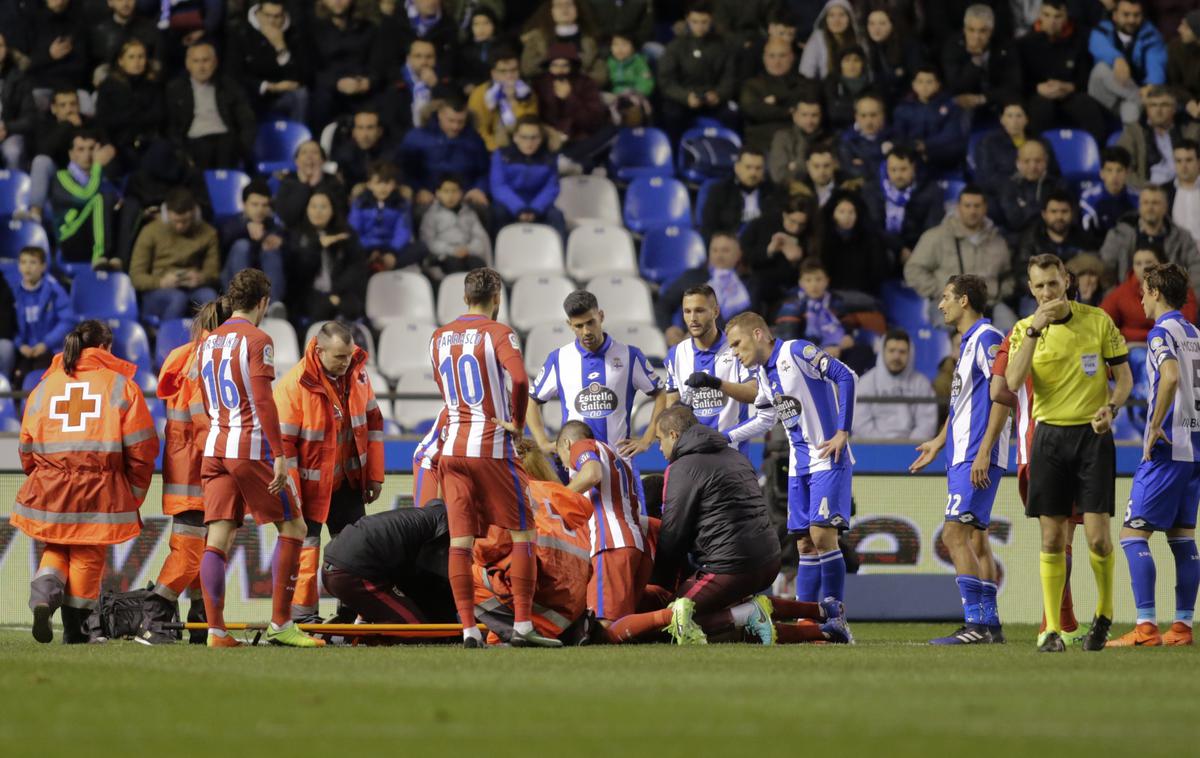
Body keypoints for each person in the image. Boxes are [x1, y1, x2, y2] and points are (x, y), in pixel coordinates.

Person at [602, 406, 851, 646]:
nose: (659, 447)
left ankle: (759, 616)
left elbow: (674, 534)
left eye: (660, 440)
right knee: (735, 608)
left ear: (674, 436)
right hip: (767, 561)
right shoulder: (735, 456)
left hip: (728, 567)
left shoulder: (681, 468)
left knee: (677, 621)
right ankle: (825, 613)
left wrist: (664, 583)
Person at [1004, 253, 1132, 652]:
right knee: (1052, 538)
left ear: (1066, 281)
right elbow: (1011, 379)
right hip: (1050, 440)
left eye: (1053, 284)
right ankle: (1052, 630)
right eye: (1039, 286)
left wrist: (1111, 408)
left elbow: (1124, 379)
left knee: (1097, 539)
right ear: (1030, 288)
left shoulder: (1097, 321)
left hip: (1092, 439)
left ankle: (1104, 614)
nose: (1047, 292)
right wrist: (1032, 333)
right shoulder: (1025, 328)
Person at [429, 267, 561, 648]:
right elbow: (519, 379)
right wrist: (517, 423)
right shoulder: (498, 333)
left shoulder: (438, 337)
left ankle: (468, 629)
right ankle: (522, 625)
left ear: (465, 296)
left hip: (451, 447)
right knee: (523, 533)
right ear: (497, 298)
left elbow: (443, 388)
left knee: (460, 541)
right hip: (491, 446)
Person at [196, 269, 323, 648]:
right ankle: (282, 624)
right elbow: (263, 399)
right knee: (295, 528)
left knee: (217, 537)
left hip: (215, 444)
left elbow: (204, 397)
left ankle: (216, 632)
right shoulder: (258, 339)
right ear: (263, 303)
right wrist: (280, 454)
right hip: (248, 448)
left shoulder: (207, 342)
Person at [14, 319, 157, 644]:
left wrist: (38, 477)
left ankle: (42, 599)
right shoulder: (121, 386)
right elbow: (142, 448)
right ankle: (76, 631)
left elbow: (26, 443)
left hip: (51, 485)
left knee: (56, 547)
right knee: (87, 554)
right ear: (106, 348)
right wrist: (132, 493)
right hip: (99, 488)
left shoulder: (44, 386)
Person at [725, 311, 858, 606]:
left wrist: (842, 431)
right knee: (805, 545)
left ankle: (835, 617)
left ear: (758, 334)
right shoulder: (762, 374)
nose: (734, 353)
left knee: (823, 536)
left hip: (828, 457)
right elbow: (764, 418)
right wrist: (725, 437)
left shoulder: (796, 351)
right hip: (799, 467)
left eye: (736, 344)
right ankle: (806, 618)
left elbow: (845, 375)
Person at [910, 275, 1012, 644]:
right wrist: (939, 441)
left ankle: (976, 626)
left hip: (975, 454)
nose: (940, 304)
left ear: (965, 300)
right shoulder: (968, 343)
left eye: (946, 297)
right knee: (976, 540)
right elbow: (963, 404)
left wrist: (984, 450)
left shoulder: (988, 339)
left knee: (953, 535)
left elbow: (1003, 396)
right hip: (962, 452)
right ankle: (990, 626)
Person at [1108, 263, 1200, 647]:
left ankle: (1145, 627)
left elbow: (1172, 376)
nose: (1140, 298)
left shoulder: (1161, 332)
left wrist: (1156, 425)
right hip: (1195, 450)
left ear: (1158, 292)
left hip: (1168, 449)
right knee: (1182, 539)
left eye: (1144, 291)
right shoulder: (1195, 333)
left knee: (1133, 536)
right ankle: (1181, 627)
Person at [274, 321, 385, 622]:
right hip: (309, 489)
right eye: (339, 357)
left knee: (353, 552)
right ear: (319, 351)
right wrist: (293, 496)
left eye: (348, 355)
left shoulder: (359, 375)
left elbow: (373, 424)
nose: (346, 362)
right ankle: (301, 618)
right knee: (306, 553)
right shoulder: (294, 385)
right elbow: (284, 447)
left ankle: (348, 615)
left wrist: (374, 475)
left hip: (347, 484)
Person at [136, 300, 227, 645]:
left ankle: (201, 624)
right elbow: (204, 420)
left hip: (185, 470)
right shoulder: (209, 361)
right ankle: (154, 617)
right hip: (203, 472)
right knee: (192, 554)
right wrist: (228, 460)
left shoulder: (188, 356)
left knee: (202, 551)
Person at [527, 289, 666, 480]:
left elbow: (660, 394)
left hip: (619, 465)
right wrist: (542, 441)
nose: (586, 331)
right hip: (576, 469)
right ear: (569, 325)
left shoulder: (629, 355)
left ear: (601, 316)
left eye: (590, 322)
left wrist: (647, 439)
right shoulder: (559, 359)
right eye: (579, 326)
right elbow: (531, 401)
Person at [554, 420, 644, 624]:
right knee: (621, 623)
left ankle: (670, 617)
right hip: (631, 542)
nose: (568, 467)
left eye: (562, 458)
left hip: (610, 543)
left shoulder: (581, 446)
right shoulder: (614, 457)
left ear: (567, 444)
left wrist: (556, 497)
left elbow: (592, 474)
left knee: (601, 624)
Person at [321, 500, 458, 624]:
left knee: (406, 614)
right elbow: (443, 578)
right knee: (416, 629)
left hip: (334, 568)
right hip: (353, 572)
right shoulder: (447, 524)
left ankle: (348, 632)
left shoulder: (426, 518)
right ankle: (349, 636)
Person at [664, 284, 757, 455]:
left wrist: (716, 383)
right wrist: (676, 411)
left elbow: (753, 393)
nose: (692, 318)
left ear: (715, 312)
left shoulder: (736, 347)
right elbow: (672, 405)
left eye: (699, 310)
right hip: (692, 457)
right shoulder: (676, 354)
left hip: (732, 455)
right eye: (687, 311)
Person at [906, 185, 1014, 330]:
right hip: (951, 303)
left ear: (985, 208)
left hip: (990, 305)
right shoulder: (937, 236)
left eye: (977, 206)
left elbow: (1008, 275)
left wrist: (999, 292)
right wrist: (941, 291)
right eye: (967, 206)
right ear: (958, 207)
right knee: (957, 333)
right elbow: (913, 269)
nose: (972, 211)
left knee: (1013, 332)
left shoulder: (998, 241)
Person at [1016, 0, 1107, 144]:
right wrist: (1037, 88)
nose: (1052, 21)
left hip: (1069, 93)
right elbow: (1019, 80)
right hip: (1039, 95)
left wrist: (1070, 87)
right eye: (1047, 15)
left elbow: (1085, 75)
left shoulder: (1079, 40)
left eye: (1057, 16)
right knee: (1041, 110)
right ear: (1040, 15)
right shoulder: (1025, 43)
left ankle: (1099, 157)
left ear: (1066, 17)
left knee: (1089, 108)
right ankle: (1037, 155)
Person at [129, 187, 221, 323]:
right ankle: (167, 341)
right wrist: (161, 282)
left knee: (210, 298)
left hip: (193, 287)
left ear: (195, 215)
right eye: (175, 221)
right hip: (158, 289)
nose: (180, 226)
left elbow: (213, 272)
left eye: (185, 221)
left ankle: (211, 341)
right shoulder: (150, 232)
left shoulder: (208, 233)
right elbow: (136, 277)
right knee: (178, 298)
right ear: (167, 216)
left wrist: (201, 277)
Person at [1099, 184, 1200, 303]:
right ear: (1139, 206)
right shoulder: (1119, 235)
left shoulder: (1182, 238)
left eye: (1155, 203)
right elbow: (1105, 270)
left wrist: (1187, 301)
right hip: (1127, 302)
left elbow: (1196, 269)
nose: (1150, 207)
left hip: (1169, 302)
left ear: (1165, 207)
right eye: (1146, 203)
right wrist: (1116, 299)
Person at [165, 41, 257, 170]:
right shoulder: (175, 89)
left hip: (226, 140)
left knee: (228, 147)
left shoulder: (229, 86)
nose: (201, 67)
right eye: (196, 61)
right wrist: (180, 152)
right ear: (187, 64)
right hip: (194, 141)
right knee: (203, 151)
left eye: (205, 60)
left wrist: (242, 147)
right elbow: (171, 127)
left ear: (215, 62)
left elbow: (247, 120)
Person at [657, 0, 737, 141]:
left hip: (713, 100)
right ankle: (676, 155)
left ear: (711, 20)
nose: (699, 26)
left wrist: (718, 94)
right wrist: (685, 97)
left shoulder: (723, 46)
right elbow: (666, 81)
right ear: (688, 19)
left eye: (704, 22)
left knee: (732, 113)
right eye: (695, 22)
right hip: (684, 99)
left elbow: (729, 78)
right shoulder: (675, 46)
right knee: (671, 113)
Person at [533, 42, 616, 174]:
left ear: (572, 66)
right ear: (548, 66)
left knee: (611, 131)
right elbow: (535, 117)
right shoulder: (540, 84)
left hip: (582, 139)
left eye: (564, 65)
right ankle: (581, 165)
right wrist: (552, 133)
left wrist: (570, 98)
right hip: (552, 139)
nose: (559, 70)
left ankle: (569, 162)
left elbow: (593, 122)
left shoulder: (586, 83)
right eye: (555, 65)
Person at [286, 190, 369, 322]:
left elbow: (357, 267)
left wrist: (335, 292)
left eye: (323, 207)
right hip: (308, 294)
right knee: (320, 309)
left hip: (340, 290)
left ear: (333, 210)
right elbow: (298, 274)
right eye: (313, 206)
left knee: (352, 308)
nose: (318, 211)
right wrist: (316, 246)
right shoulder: (296, 235)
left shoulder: (346, 234)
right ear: (306, 209)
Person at [656, 232, 755, 340]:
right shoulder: (693, 277)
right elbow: (664, 304)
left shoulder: (749, 283)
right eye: (715, 250)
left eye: (725, 250)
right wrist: (668, 328)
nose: (719, 256)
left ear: (738, 254)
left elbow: (752, 319)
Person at [398, 97, 491, 207]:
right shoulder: (417, 138)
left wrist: (479, 188)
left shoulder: (474, 140)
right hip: (429, 196)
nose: (455, 126)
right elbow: (405, 171)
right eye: (451, 121)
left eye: (460, 122)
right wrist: (418, 190)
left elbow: (484, 170)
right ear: (440, 115)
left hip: (465, 196)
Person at [49, 129, 121, 270]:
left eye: (92, 149)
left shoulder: (102, 178)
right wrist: (97, 167)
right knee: (100, 198)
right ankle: (100, 256)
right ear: (71, 154)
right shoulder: (62, 177)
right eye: (81, 149)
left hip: (91, 239)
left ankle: (119, 258)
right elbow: (86, 196)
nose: (87, 154)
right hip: (70, 240)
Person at [227, 1, 310, 123]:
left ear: (283, 15)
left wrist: (281, 47)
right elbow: (234, 74)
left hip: (283, 95)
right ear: (259, 13)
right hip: (253, 94)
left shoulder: (294, 33)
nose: (271, 21)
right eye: (267, 15)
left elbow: (301, 77)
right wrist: (268, 87)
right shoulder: (241, 31)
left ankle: (298, 139)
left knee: (300, 94)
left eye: (277, 16)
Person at [861, 146, 945, 266]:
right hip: (883, 247)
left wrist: (916, 252)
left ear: (913, 168)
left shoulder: (932, 191)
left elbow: (932, 228)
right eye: (893, 170)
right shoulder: (871, 190)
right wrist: (899, 248)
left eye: (903, 169)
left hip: (919, 249)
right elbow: (873, 226)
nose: (898, 175)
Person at [1087, 0, 1167, 125]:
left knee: (1131, 108)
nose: (1131, 20)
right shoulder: (1102, 30)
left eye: (1136, 15)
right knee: (1101, 69)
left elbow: (1156, 63)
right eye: (1126, 14)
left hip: (1134, 99)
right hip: (1106, 98)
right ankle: (1141, 99)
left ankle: (1129, 141)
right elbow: (1097, 45)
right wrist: (1117, 59)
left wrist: (1151, 86)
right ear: (1115, 15)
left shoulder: (1151, 34)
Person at [940, 3, 1020, 122]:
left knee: (1015, 107)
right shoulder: (953, 46)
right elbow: (955, 86)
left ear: (991, 31)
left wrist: (983, 98)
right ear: (964, 29)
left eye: (982, 31)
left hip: (994, 99)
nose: (976, 37)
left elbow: (1013, 85)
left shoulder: (1005, 46)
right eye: (971, 30)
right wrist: (975, 62)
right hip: (966, 100)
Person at [853, 328, 937, 442]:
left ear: (910, 354)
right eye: (891, 351)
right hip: (871, 448)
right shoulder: (865, 382)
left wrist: (908, 446)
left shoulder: (922, 384)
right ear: (883, 352)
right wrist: (885, 447)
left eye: (902, 352)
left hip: (911, 448)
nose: (896, 356)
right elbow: (860, 423)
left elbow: (927, 423)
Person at [1101, 247, 1198, 342]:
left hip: (1174, 340)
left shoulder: (1178, 286)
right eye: (1138, 263)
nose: (1143, 268)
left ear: (1160, 264)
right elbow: (1102, 320)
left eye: (1149, 263)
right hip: (1136, 345)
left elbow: (1187, 322)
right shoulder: (1122, 292)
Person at [489, 118, 566, 238]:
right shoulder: (501, 154)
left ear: (541, 138)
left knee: (556, 216)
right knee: (498, 214)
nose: (529, 143)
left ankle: (560, 254)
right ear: (515, 137)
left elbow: (551, 187)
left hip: (539, 204)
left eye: (534, 137)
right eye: (524, 137)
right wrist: (519, 208)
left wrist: (535, 208)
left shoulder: (549, 156)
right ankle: (497, 253)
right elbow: (499, 186)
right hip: (509, 204)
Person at [11, 246, 74, 387]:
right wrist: (20, 345)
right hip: (23, 350)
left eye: (33, 262)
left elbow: (67, 320)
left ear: (43, 266)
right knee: (18, 378)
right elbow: (10, 325)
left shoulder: (54, 290)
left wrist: (46, 343)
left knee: (41, 378)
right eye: (23, 262)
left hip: (49, 349)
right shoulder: (14, 292)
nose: (27, 267)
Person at [1114, 87, 1200, 188]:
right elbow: (1122, 167)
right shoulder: (1134, 131)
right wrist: (1147, 188)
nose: (1158, 110)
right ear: (1147, 109)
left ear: (1174, 108)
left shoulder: (1191, 129)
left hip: (1187, 188)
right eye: (1153, 105)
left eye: (1164, 105)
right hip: (1149, 191)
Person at [347, 161, 425, 274]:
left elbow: (403, 231)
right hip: (366, 248)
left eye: (388, 183)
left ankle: (381, 264)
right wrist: (371, 250)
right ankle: (373, 263)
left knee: (421, 247)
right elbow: (354, 230)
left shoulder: (401, 204)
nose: (383, 187)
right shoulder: (360, 203)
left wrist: (392, 252)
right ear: (369, 184)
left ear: (394, 185)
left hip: (391, 248)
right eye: (378, 183)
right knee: (349, 249)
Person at [891, 65, 967, 176]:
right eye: (920, 82)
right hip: (913, 156)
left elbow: (951, 135)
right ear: (913, 85)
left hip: (942, 157)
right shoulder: (903, 108)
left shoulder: (950, 105)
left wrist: (926, 146)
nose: (924, 86)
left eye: (929, 82)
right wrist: (915, 148)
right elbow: (899, 136)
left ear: (938, 85)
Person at [220, 180, 288, 305]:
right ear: (244, 204)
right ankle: (241, 303)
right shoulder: (233, 223)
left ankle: (273, 306)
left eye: (264, 205)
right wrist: (246, 227)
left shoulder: (274, 227)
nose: (260, 210)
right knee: (242, 246)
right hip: (232, 283)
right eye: (255, 204)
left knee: (271, 249)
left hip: (262, 284)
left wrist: (280, 243)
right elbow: (224, 240)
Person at [740, 38, 813, 152]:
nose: (777, 61)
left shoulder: (805, 83)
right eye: (772, 56)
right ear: (764, 58)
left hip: (798, 142)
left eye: (782, 56)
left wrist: (774, 103)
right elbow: (753, 110)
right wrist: (789, 111)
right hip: (761, 143)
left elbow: (809, 110)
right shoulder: (752, 85)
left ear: (792, 57)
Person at [419, 174, 492, 281]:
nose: (450, 196)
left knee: (479, 265)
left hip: (468, 253)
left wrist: (468, 249)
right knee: (455, 266)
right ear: (438, 193)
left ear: (461, 193)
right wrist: (452, 250)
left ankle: (477, 297)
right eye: (446, 191)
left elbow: (480, 237)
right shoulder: (431, 215)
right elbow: (428, 241)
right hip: (443, 256)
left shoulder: (469, 213)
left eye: (454, 191)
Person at [700, 148, 783, 241]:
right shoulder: (719, 191)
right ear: (737, 168)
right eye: (748, 167)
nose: (753, 173)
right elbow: (709, 229)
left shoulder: (773, 192)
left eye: (758, 168)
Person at [519, 0, 608, 85]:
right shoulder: (537, 38)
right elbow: (527, 68)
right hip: (546, 92)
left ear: (577, 9)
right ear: (551, 11)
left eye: (569, 4)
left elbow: (601, 76)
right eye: (559, 5)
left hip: (581, 92)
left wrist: (575, 80)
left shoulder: (590, 40)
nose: (564, 9)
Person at [995, 140, 1069, 241]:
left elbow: (1062, 220)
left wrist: (1026, 210)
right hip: (1016, 241)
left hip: (1050, 240)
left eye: (1038, 161)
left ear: (1046, 161)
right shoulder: (1008, 186)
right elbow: (1015, 221)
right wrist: (1040, 210)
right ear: (1018, 163)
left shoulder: (1058, 185)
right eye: (1027, 161)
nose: (1033, 166)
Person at [467, 48, 538, 152]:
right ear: (493, 73)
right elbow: (479, 129)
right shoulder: (480, 94)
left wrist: (513, 101)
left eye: (513, 70)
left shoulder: (527, 93)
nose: (509, 76)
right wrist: (496, 150)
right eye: (503, 71)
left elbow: (529, 125)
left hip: (522, 146)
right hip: (488, 149)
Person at [1015, 190, 1098, 276]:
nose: (1059, 217)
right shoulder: (1030, 240)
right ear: (1044, 214)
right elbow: (1023, 274)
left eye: (1064, 211)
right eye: (1054, 211)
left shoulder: (1085, 239)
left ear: (1072, 213)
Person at [273, 140, 347, 229]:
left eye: (315, 152)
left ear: (323, 160)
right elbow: (288, 218)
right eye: (304, 152)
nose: (309, 156)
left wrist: (317, 184)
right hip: (295, 236)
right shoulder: (287, 182)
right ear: (296, 161)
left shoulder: (333, 182)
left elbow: (340, 214)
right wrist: (304, 186)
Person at [1080, 147, 1140, 237]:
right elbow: (1088, 232)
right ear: (1102, 173)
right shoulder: (1089, 199)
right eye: (1109, 170)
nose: (1114, 176)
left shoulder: (1138, 198)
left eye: (1119, 170)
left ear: (1127, 173)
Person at [331, 109, 395, 192]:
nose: (365, 135)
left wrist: (365, 187)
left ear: (379, 131)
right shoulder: (343, 155)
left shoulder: (391, 154)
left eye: (370, 128)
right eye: (360, 128)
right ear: (354, 132)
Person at [768, 97, 826, 189]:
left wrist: (794, 166)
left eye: (814, 115)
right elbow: (779, 176)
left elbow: (831, 173)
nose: (809, 121)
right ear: (795, 116)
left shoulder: (828, 138)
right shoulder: (782, 138)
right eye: (804, 115)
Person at [0, 31, 37, 170]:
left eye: (0, 45)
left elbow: (30, 118)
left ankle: (13, 191)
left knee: (13, 152)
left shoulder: (19, 78)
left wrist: (6, 128)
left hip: (9, 133)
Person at [799, 0, 860, 81]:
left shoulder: (859, 39)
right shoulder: (817, 39)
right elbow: (806, 73)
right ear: (826, 19)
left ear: (850, 18)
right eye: (831, 15)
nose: (836, 20)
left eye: (842, 15)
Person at [836, 93, 891, 183]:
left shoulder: (894, 137)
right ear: (856, 117)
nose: (868, 121)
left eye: (873, 115)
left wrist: (865, 164)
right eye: (863, 115)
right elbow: (849, 171)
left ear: (882, 115)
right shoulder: (847, 141)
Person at [604, 32, 653, 126]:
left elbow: (646, 83)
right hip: (614, 99)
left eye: (624, 44)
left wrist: (636, 94)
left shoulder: (639, 62)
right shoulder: (609, 63)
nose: (619, 48)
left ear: (633, 47)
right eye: (615, 44)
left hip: (634, 98)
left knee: (634, 111)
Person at [1167, 12, 1200, 119]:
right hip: (1183, 99)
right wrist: (1189, 101)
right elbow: (1174, 83)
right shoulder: (1175, 47)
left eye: (1186, 27)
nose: (1179, 29)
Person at [1169, 140, 1200, 244]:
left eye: (1189, 160)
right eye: (1178, 161)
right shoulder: (1166, 192)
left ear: (1198, 162)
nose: (1184, 166)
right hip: (1175, 253)